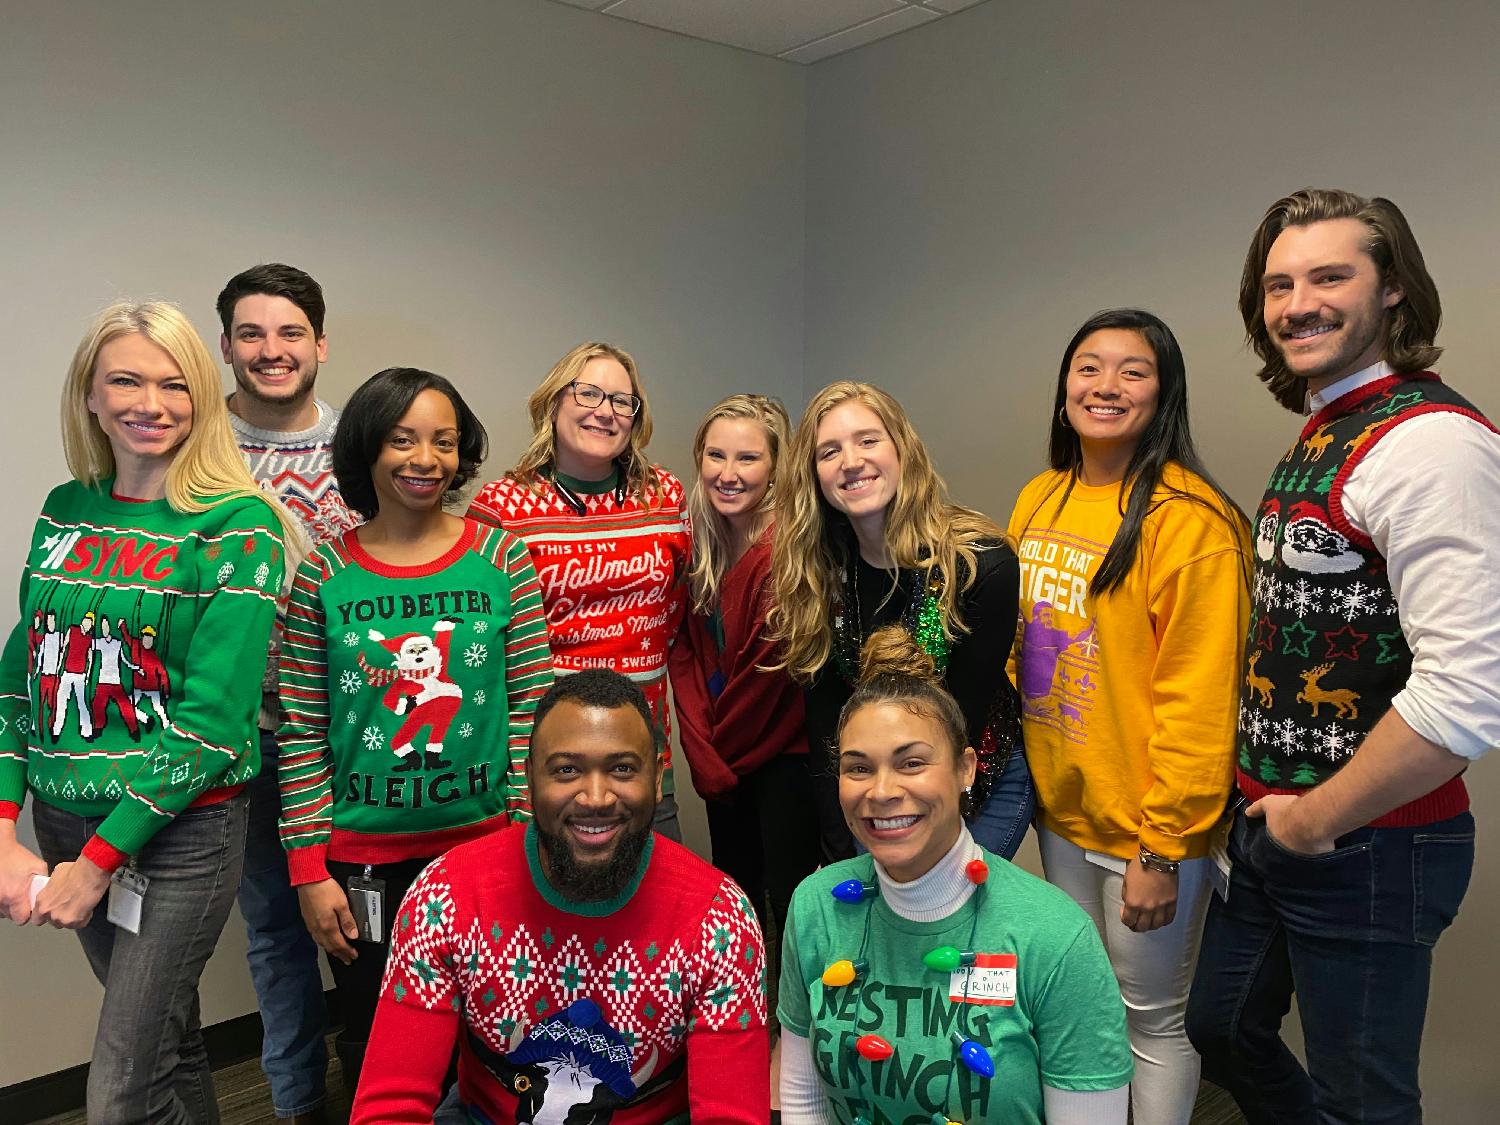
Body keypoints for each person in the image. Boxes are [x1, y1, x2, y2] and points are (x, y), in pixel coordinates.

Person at [1185, 188, 1499, 1124]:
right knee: (1223, 1029)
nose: (1297, 303)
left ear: (1394, 288)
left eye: (1330, 276)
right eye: (1278, 284)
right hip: (1276, 828)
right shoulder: (1330, 424)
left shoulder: (1431, 444)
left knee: (1362, 1099)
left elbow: (1467, 695)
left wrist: (1315, 820)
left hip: (1369, 840)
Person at [0, 301, 294, 1122]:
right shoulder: (66, 509)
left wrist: (95, 863)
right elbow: (20, 680)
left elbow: (212, 725)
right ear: (90, 395)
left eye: (176, 384)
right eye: (125, 379)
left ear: (202, 398)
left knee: (122, 1088)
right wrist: (1, 826)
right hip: (63, 820)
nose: (151, 403)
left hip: (184, 832)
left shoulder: (242, 527)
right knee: (173, 1038)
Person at [276, 368, 553, 1090]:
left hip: (487, 851)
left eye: (443, 441)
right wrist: (308, 868)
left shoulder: (502, 559)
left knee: (497, 1037)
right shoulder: (324, 574)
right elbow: (303, 730)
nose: (424, 459)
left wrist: (528, 835)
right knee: (381, 1044)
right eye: (402, 439)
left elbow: (531, 707)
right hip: (361, 865)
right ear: (368, 448)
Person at [1007, 308, 1250, 1124]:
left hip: (1147, 833)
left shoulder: (1190, 519)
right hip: (1061, 816)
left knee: (1151, 1020)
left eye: (1132, 370)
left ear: (1164, 391)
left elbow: (1202, 700)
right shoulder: (1041, 496)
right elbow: (1018, 650)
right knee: (1083, 1006)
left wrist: (1163, 846)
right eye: (1089, 366)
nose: (1105, 385)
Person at [349, 668, 769, 1124]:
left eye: (622, 768)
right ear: (529, 777)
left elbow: (731, 1116)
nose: (595, 797)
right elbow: (389, 1108)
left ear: (656, 777)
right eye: (566, 769)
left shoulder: (720, 919)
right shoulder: (444, 897)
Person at [778, 627, 1132, 1124]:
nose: (881, 791)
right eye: (858, 768)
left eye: (912, 763)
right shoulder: (816, 906)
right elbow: (803, 1100)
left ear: (966, 770)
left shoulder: (1055, 939)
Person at [770, 381, 1031, 863]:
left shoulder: (980, 566)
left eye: (868, 441)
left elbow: (956, 727)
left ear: (902, 450)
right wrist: (840, 843)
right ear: (815, 476)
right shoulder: (820, 573)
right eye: (830, 451)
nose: (851, 461)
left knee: (935, 918)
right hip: (875, 782)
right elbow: (826, 718)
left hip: (977, 782)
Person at [219, 261, 361, 1124]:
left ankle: (374, 1085)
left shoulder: (361, 442)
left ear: (320, 342)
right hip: (244, 734)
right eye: (251, 334)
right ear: (227, 344)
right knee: (274, 930)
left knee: (364, 925)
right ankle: (297, 1102)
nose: (272, 351)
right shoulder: (197, 449)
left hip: (352, 731)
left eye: (290, 333)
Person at [468, 342, 690, 840]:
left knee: (654, 904)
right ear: (554, 402)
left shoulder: (664, 496)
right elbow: (482, 644)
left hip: (642, 749)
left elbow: (678, 618)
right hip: (547, 756)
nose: (604, 411)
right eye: (588, 393)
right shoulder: (503, 506)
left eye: (620, 401)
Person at [668, 394, 817, 947]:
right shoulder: (700, 540)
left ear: (777, 467)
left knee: (790, 903)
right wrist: (700, 748)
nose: (727, 475)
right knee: (733, 896)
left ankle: (792, 1029)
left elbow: (765, 680)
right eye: (715, 455)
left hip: (781, 758)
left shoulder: (784, 556)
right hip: (722, 758)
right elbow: (682, 653)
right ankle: (739, 1023)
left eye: (748, 459)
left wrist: (712, 758)